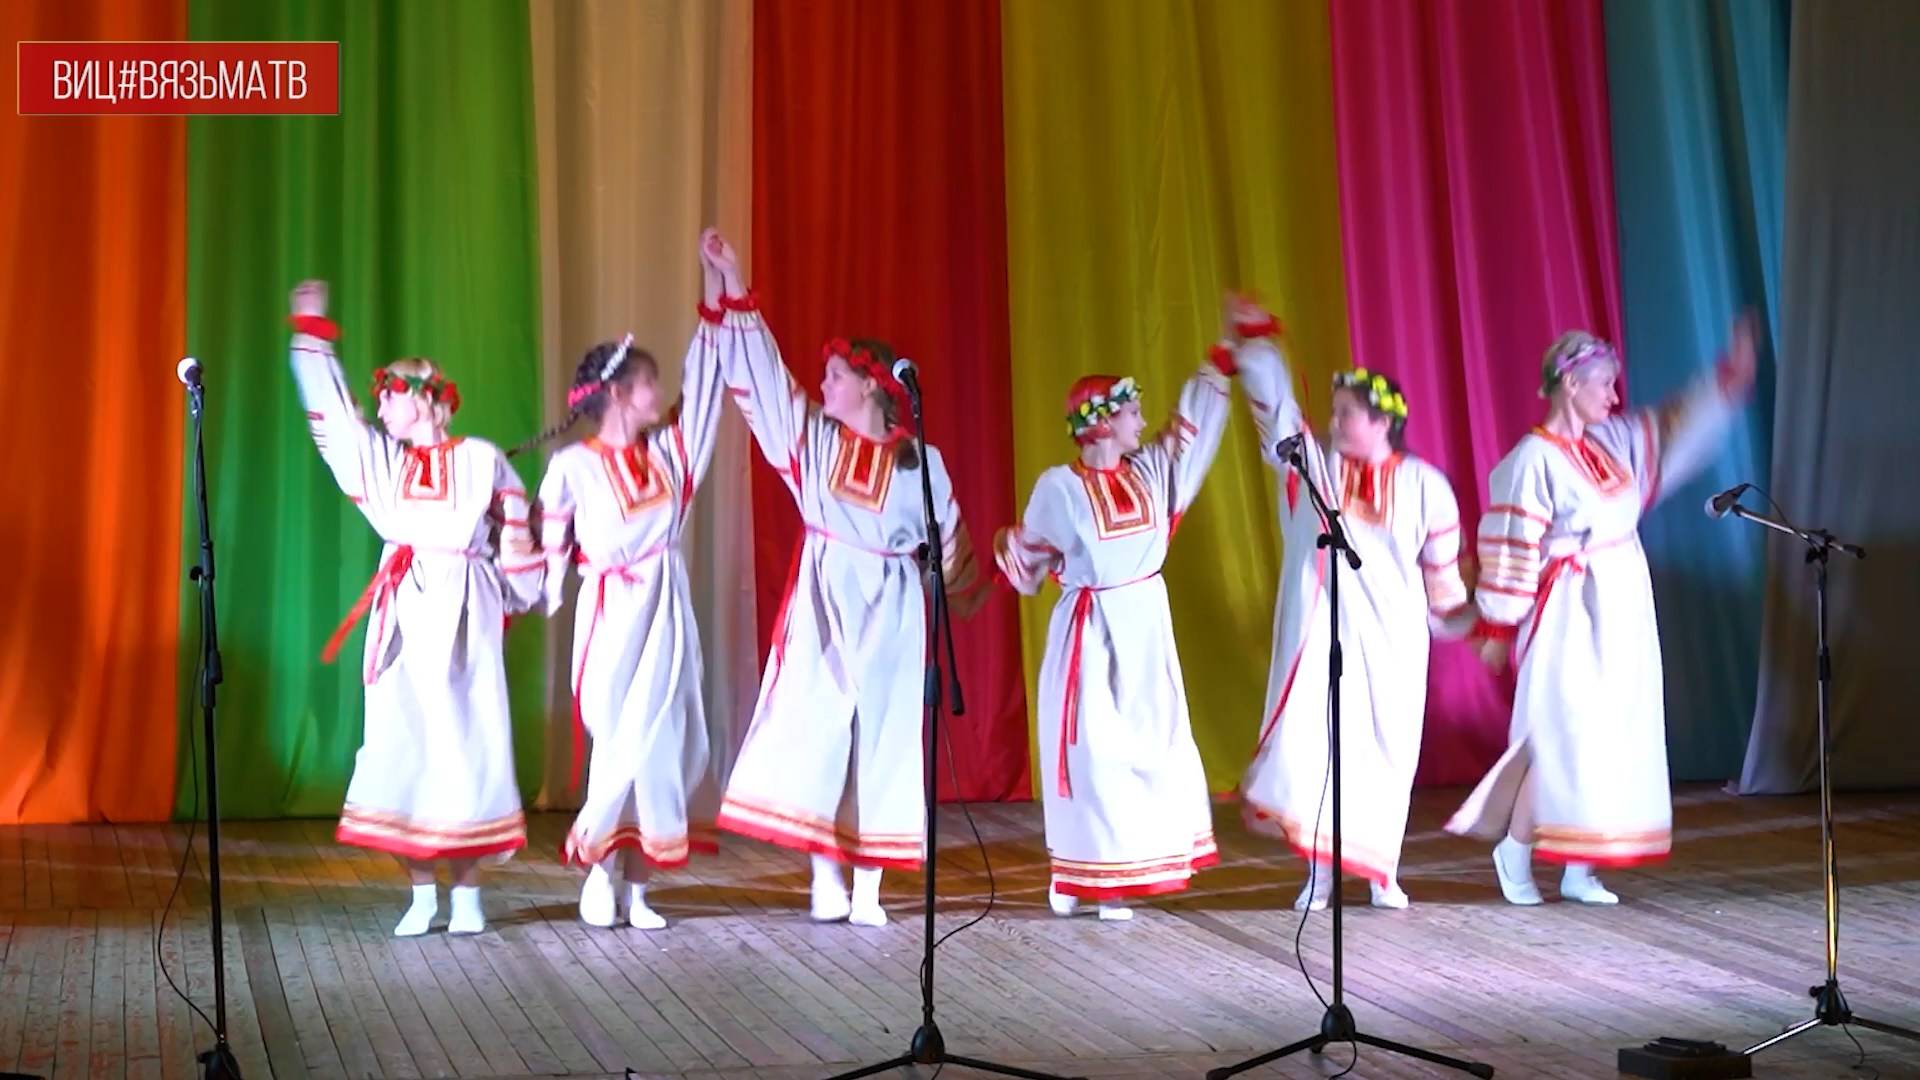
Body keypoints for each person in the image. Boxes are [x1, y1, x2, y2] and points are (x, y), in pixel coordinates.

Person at [698, 231, 988, 927]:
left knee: (885, 738)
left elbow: (948, 543)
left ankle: (869, 888)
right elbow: (767, 383)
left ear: (870, 386)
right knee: (816, 730)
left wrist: (968, 585)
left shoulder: (922, 462)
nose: (821, 384)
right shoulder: (816, 440)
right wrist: (731, 280)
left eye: (834, 375)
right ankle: (824, 872)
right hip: (826, 599)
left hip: (892, 607)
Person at [1449, 317, 1757, 904]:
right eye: (1604, 385)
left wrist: (1723, 385)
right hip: (1570, 608)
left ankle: (1579, 866)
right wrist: (1497, 624)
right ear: (1571, 385)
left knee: (1611, 730)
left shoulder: (1610, 441)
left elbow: (1668, 429)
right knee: (1564, 732)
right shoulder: (1532, 459)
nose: (1615, 397)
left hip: (1620, 603)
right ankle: (1514, 848)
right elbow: (1512, 545)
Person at [288, 279, 539, 936]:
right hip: (403, 615)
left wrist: (514, 592)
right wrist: (312, 335)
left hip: (464, 618)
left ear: (424, 399)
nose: (380, 405)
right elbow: (337, 420)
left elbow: (518, 526)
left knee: (467, 746)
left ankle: (469, 896)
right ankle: (422, 893)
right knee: (403, 746)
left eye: (390, 395)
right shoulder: (384, 463)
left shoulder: (481, 458)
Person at [993, 302, 1243, 920]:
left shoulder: (1151, 473)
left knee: (1151, 750)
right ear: (1102, 422)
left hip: (1146, 632)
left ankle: (1119, 871)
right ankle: (1083, 875)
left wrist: (1220, 361)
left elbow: (1190, 431)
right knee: (1095, 755)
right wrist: (1012, 549)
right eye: (1132, 412)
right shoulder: (1059, 487)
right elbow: (1028, 560)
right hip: (1091, 635)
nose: (1143, 421)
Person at [1228, 297, 1477, 911]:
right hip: (1323, 635)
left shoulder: (1425, 485)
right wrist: (1256, 347)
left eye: (1347, 412)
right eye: (1334, 410)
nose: (1335, 420)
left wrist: (1476, 616)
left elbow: (1443, 582)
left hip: (1393, 642)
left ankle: (1382, 869)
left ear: (1382, 420)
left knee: (1386, 752)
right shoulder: (1315, 466)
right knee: (1319, 746)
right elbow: (1278, 414)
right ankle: (1319, 873)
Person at [513, 239, 733, 930]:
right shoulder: (573, 466)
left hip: (665, 609)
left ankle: (640, 885)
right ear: (616, 394)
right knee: (618, 740)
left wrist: (717, 292)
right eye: (647, 386)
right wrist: (541, 584)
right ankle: (600, 868)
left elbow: (704, 395)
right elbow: (548, 537)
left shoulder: (669, 454)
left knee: (661, 741)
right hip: (611, 613)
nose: (658, 396)